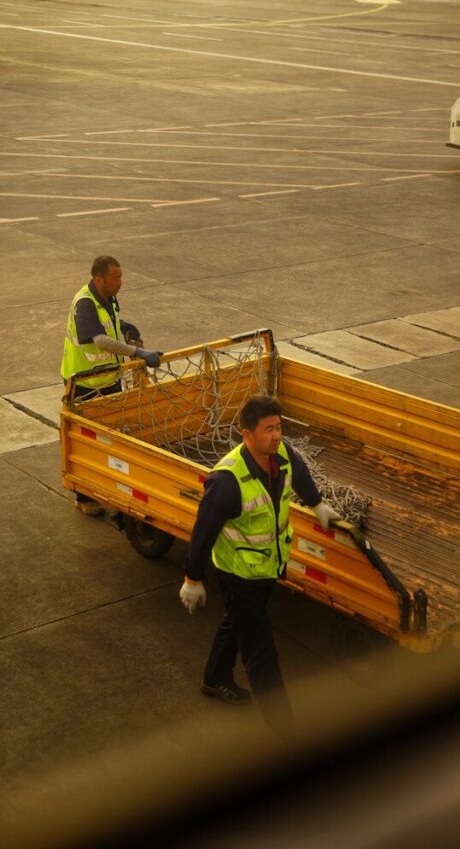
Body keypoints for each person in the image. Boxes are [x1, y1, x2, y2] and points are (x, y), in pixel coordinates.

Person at [179, 395, 341, 738]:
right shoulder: (226, 480)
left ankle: (215, 677)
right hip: (239, 573)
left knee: (236, 621)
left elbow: (299, 472)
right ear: (246, 434)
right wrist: (193, 577)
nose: (277, 435)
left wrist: (317, 504)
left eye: (279, 427)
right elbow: (203, 531)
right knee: (261, 653)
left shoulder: (280, 454)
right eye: (269, 429)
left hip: (268, 566)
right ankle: (286, 728)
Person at [61, 255, 162, 513]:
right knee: (85, 441)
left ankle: (107, 484)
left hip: (108, 378)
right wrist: (137, 353)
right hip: (84, 382)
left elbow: (111, 325)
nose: (121, 282)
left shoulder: (108, 297)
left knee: (112, 435)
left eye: (120, 276)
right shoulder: (85, 302)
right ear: (99, 279)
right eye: (115, 278)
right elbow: (99, 340)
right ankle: (83, 498)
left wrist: (128, 328)